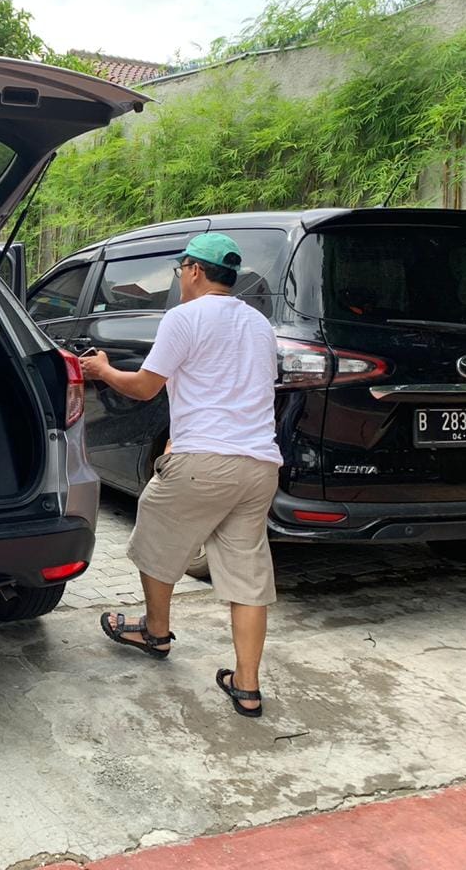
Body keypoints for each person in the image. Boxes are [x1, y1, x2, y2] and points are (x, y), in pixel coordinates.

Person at [80, 232, 281, 718]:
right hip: (259, 465)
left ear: (193, 270)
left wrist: (103, 370)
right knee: (247, 576)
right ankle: (247, 686)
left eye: (180, 269)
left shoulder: (183, 317)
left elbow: (145, 387)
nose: (180, 278)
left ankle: (155, 631)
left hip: (205, 461)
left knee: (153, 532)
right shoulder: (259, 324)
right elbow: (238, 388)